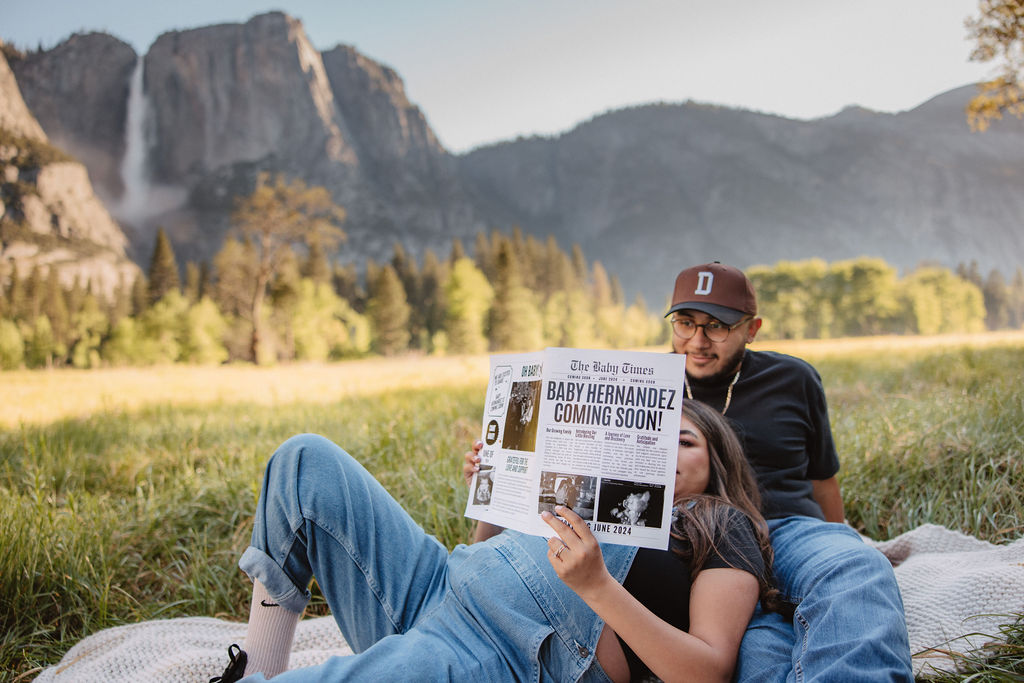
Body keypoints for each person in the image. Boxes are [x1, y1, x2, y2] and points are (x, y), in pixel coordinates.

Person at [213, 401, 780, 682]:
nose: (664, 452)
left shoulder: (718, 525)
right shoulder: (590, 485)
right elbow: (491, 552)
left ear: (718, 461)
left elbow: (710, 670)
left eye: (682, 441)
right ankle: (257, 663)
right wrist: (494, 494)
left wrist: (598, 588)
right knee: (305, 460)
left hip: (504, 650)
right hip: (439, 585)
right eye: (653, 439)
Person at [663, 261, 913, 681]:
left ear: (752, 328)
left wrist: (842, 538)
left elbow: (822, 479)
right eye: (685, 323)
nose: (698, 341)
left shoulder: (793, 378)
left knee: (856, 568)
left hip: (789, 529)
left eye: (717, 326)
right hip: (699, 542)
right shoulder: (643, 383)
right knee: (760, 650)